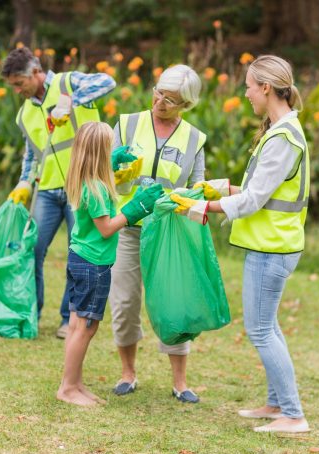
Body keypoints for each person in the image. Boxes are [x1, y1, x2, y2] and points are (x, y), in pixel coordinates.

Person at [171, 55, 311, 433]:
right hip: (271, 244)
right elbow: (256, 191)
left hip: (273, 247)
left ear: (266, 88)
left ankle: (293, 415)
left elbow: (254, 201)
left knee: (261, 330)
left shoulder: (283, 138)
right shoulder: (281, 131)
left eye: (249, 86)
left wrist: (202, 208)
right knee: (269, 327)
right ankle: (276, 403)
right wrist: (217, 188)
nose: (245, 93)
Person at [1, 47, 116, 338]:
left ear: (36, 73)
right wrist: (24, 183)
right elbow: (32, 155)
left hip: (83, 188)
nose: (17, 90)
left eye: (19, 83)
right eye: (13, 85)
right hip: (49, 190)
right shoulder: (25, 113)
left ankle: (68, 318)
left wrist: (70, 103)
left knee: (76, 254)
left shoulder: (67, 82)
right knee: (33, 251)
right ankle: (31, 312)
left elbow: (106, 82)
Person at [108, 65, 207, 403]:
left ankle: (180, 383)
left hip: (168, 233)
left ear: (186, 105)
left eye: (171, 99)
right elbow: (102, 170)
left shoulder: (194, 139)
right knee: (123, 303)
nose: (160, 102)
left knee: (173, 304)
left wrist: (192, 205)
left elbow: (197, 187)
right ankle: (127, 373)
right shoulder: (127, 123)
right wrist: (115, 168)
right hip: (128, 228)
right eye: (158, 93)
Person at [56, 122, 163, 406]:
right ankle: (67, 388)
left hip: (80, 258)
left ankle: (75, 383)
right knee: (85, 327)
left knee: (79, 323)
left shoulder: (84, 178)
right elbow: (106, 228)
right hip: (93, 264)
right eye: (109, 148)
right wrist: (135, 209)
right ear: (99, 153)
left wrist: (112, 167)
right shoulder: (98, 189)